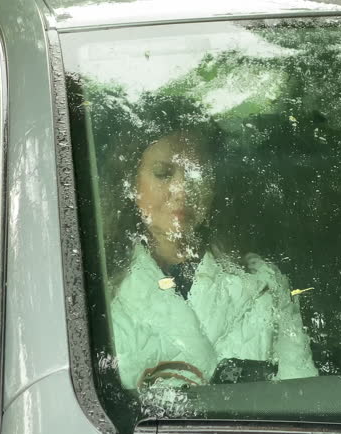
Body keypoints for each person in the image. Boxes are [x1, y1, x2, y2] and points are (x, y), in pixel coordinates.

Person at [96, 107, 319, 389]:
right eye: (164, 173)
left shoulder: (265, 283)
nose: (182, 189)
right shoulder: (99, 288)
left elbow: (301, 398)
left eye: (196, 173)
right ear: (131, 184)